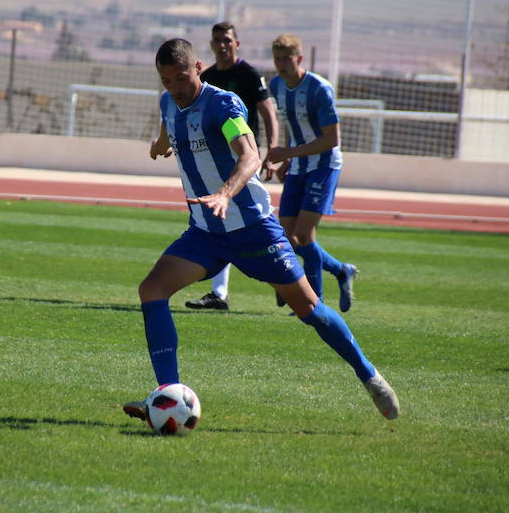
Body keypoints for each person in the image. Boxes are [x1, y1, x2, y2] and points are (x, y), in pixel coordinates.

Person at [123, 38, 400, 424]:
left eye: (181, 77)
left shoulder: (223, 104)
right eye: (166, 80)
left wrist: (224, 192)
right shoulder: (168, 101)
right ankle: (168, 396)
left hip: (252, 228)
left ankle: (369, 375)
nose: (175, 87)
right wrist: (160, 144)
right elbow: (171, 127)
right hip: (205, 231)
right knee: (151, 290)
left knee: (309, 308)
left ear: (198, 67)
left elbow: (250, 154)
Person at [184, 21, 279, 312]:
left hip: (242, 160)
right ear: (211, 45)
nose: (222, 45)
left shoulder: (248, 74)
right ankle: (220, 293)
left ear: (237, 43)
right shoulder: (207, 77)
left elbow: (267, 111)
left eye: (227, 40)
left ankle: (287, 278)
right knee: (221, 221)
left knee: (255, 223)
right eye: (217, 40)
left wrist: (271, 150)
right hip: (214, 162)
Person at [267, 33, 358, 313]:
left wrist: (287, 154)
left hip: (323, 166)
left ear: (300, 58)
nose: (282, 64)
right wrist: (285, 162)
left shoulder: (320, 89)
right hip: (297, 165)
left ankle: (314, 302)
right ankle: (342, 271)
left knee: (304, 236)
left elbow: (332, 139)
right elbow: (293, 127)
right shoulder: (276, 85)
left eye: (287, 58)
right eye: (277, 58)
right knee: (287, 238)